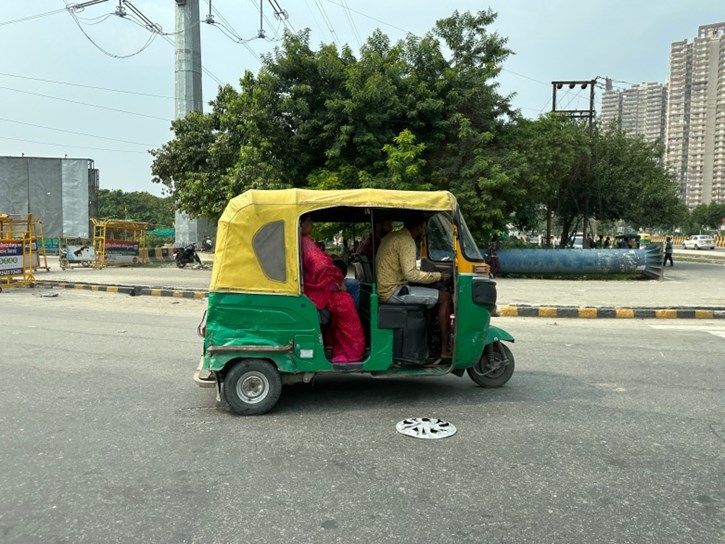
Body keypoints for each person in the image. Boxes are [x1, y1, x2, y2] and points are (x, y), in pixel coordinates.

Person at [376, 214, 453, 358]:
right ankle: (444, 350)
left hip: (387, 288)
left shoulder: (394, 236)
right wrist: (439, 276)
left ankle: (427, 341)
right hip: (393, 292)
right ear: (418, 227)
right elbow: (411, 274)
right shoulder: (406, 241)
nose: (424, 232)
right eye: (423, 228)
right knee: (445, 297)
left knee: (431, 297)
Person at [300, 213, 365, 363]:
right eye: (309, 221)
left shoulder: (305, 241)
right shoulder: (305, 242)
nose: (313, 224)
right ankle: (345, 343)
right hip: (318, 289)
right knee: (347, 297)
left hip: (316, 285)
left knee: (350, 289)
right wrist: (335, 283)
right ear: (301, 224)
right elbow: (320, 266)